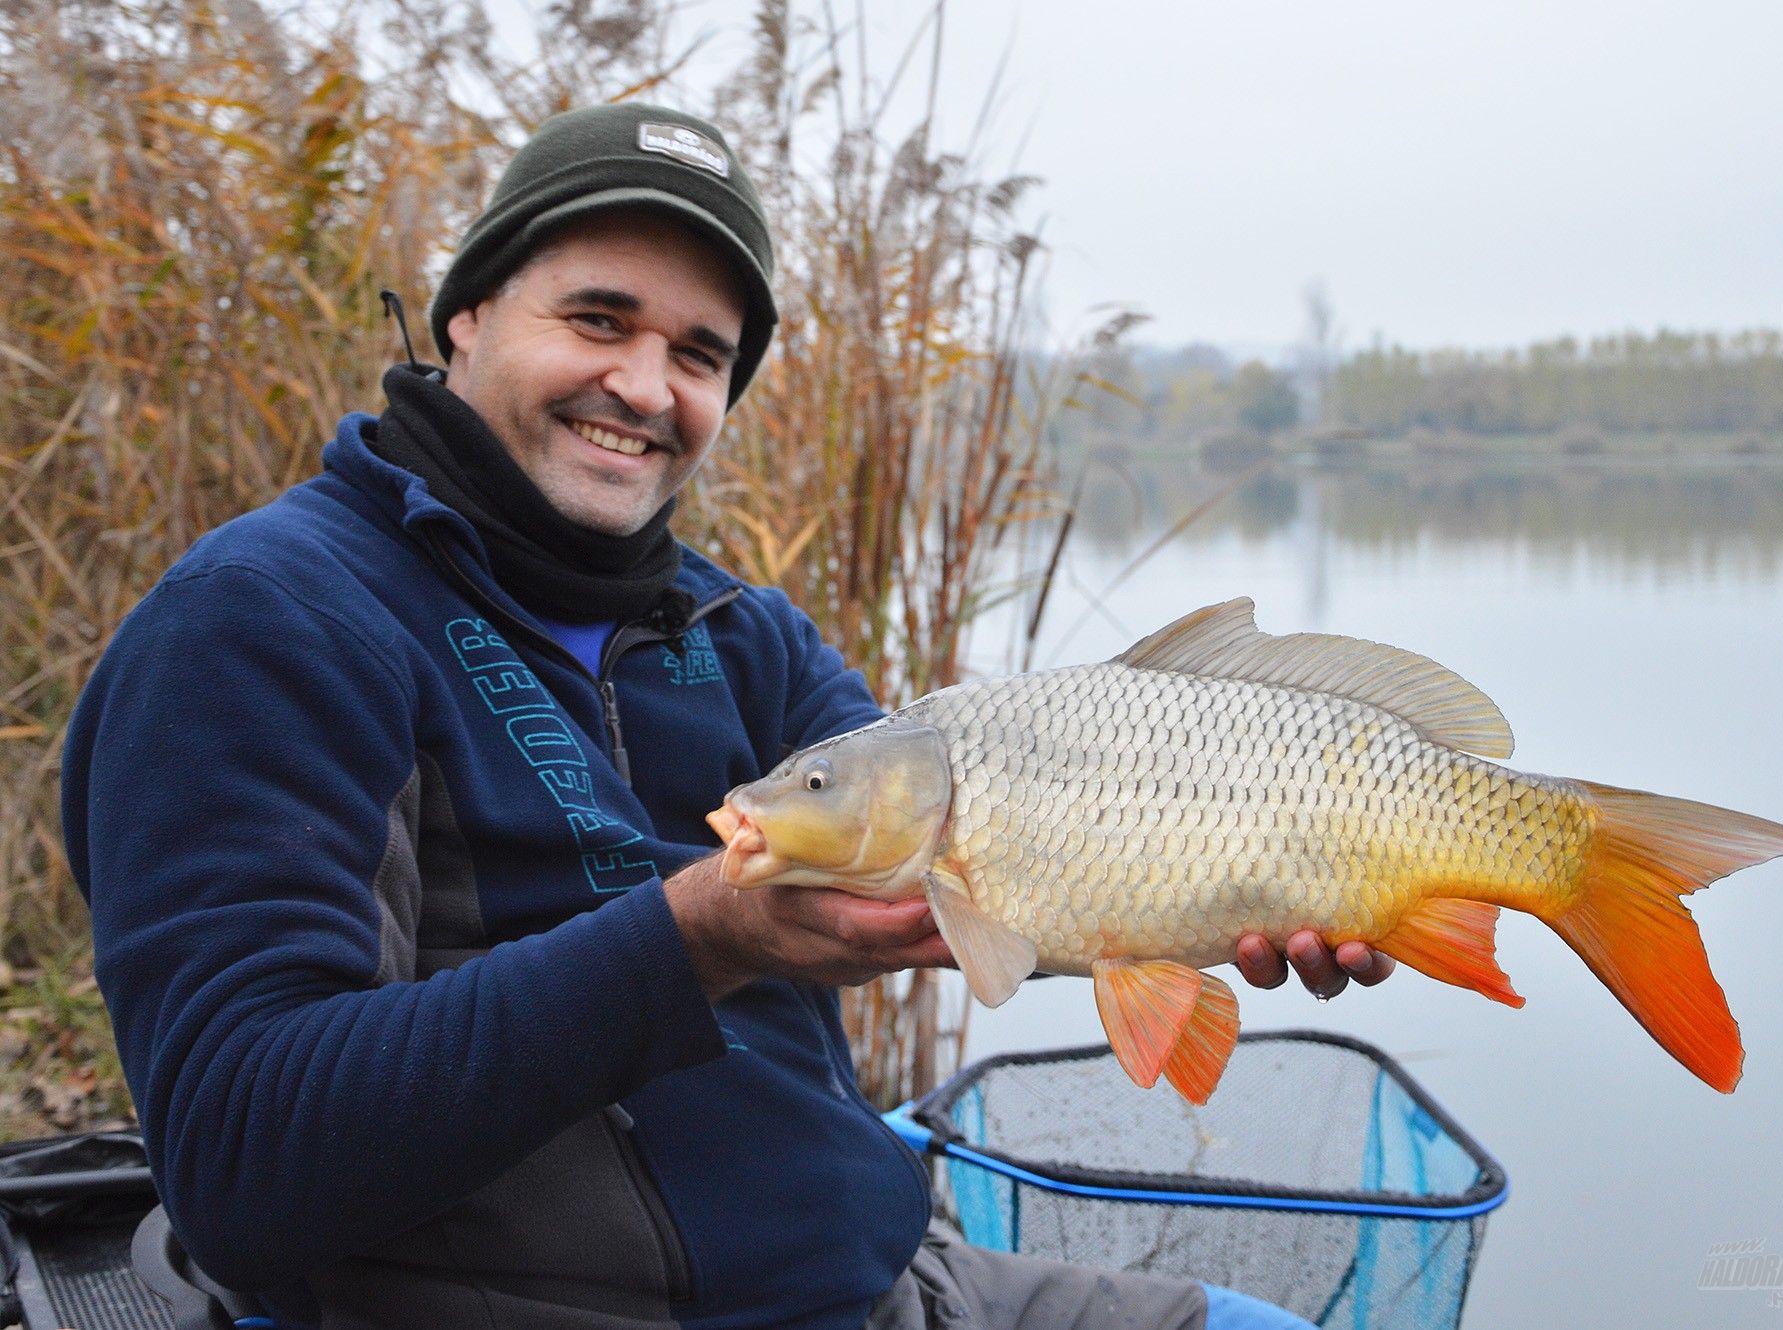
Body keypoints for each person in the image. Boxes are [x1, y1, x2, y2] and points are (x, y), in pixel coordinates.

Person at [60, 102, 1395, 1330]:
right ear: (467, 314)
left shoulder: (742, 633)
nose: (646, 386)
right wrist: (698, 937)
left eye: (699, 353)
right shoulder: (267, 619)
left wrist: (1224, 878)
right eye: (598, 319)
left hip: (886, 1275)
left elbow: (975, 880)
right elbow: (241, 1158)